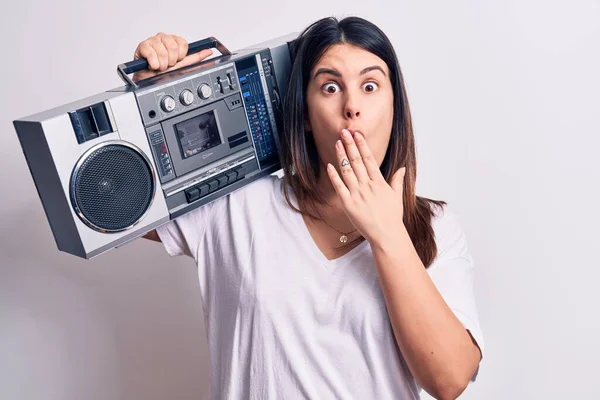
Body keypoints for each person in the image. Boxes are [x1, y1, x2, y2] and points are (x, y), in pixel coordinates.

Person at [137, 16, 484, 400]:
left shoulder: (435, 226)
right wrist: (149, 101)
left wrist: (388, 234)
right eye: (330, 87)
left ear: (394, 109)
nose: (352, 106)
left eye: (370, 86)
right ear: (303, 114)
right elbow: (112, 213)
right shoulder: (236, 203)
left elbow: (449, 380)